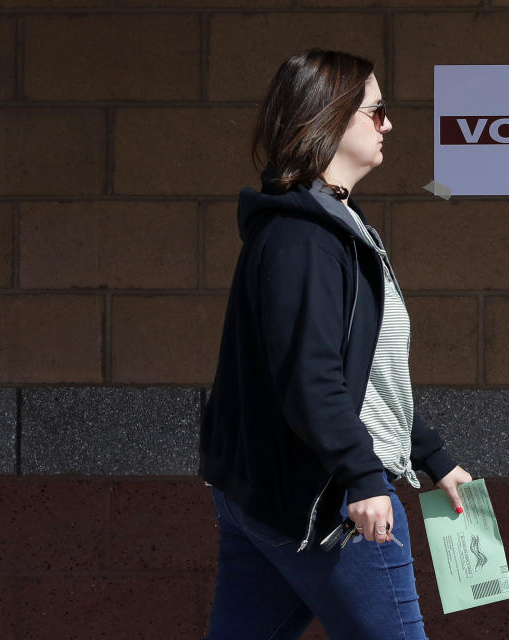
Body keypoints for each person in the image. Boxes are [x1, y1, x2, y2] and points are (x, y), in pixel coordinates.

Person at [199, 49, 472, 640]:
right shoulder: (304, 240)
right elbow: (311, 376)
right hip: (328, 502)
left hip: (280, 494)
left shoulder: (327, 227)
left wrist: (432, 455)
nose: (388, 125)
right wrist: (362, 477)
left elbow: (363, 374)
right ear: (331, 118)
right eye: (377, 111)